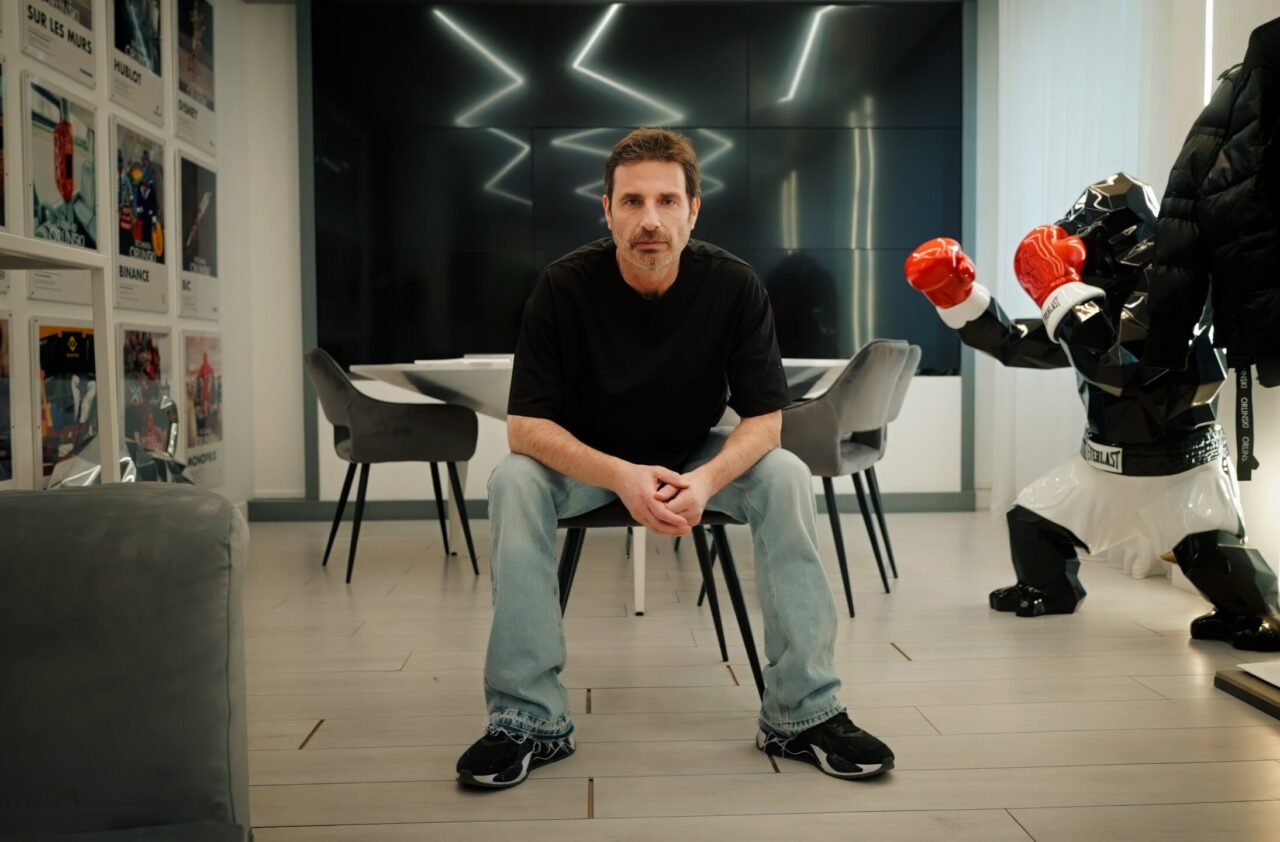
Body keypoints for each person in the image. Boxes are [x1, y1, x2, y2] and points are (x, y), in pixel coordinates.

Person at [456, 128, 894, 789]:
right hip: (592, 464)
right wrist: (621, 476)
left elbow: (765, 421)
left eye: (666, 201)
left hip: (695, 455)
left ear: (694, 210)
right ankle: (527, 719)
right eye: (632, 202)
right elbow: (526, 427)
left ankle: (803, 713)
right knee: (514, 478)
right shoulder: (562, 287)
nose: (650, 221)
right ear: (607, 210)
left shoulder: (734, 285)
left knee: (785, 474)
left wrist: (707, 479)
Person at [902, 174, 1280, 652]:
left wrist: (1060, 291)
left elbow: (1124, 371)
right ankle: (1049, 589)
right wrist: (959, 297)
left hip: (1182, 469)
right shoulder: (1106, 298)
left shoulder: (1181, 292)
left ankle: (1257, 612)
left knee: (1211, 554)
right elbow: (1018, 344)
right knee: (1032, 523)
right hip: (1105, 463)